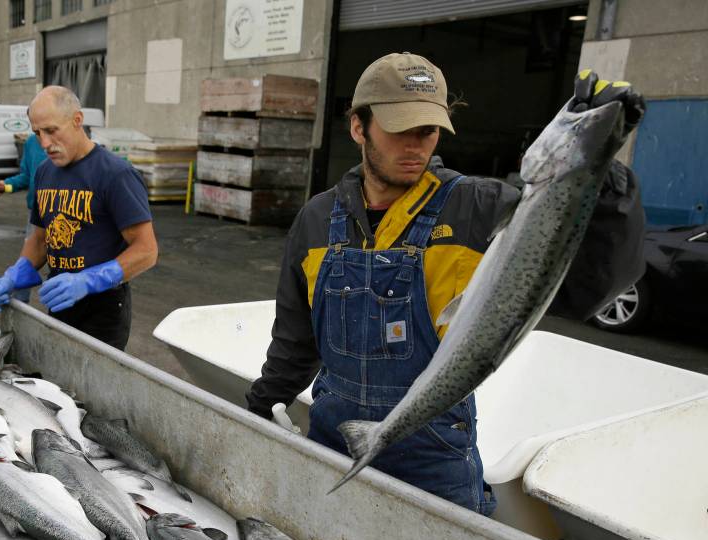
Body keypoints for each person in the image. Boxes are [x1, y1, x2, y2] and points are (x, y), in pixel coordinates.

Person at [246, 53, 646, 515]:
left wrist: (602, 171)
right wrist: (256, 410)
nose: (416, 146)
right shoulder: (316, 220)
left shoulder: (481, 207)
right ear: (358, 127)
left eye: (428, 130)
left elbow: (587, 288)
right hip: (333, 445)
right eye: (400, 129)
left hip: (437, 465)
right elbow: (295, 344)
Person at [0, 86, 158, 351]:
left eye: (51, 131)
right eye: (37, 133)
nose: (44, 143)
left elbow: (146, 251)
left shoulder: (115, 174)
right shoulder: (44, 172)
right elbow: (41, 239)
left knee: (92, 389)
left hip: (103, 309)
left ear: (77, 120)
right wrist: (15, 274)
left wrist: (87, 281)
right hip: (59, 300)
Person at [0, 131, 47, 211]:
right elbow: (27, 176)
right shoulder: (31, 142)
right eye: (35, 130)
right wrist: (6, 184)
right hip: (35, 211)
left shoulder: (65, 141)